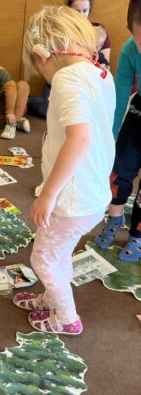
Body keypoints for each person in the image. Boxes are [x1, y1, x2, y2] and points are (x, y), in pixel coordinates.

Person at [13, 6, 115, 335]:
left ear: (42, 53)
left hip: (72, 197)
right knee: (59, 255)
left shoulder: (66, 78)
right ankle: (52, 299)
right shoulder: (101, 73)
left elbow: (80, 137)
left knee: (43, 259)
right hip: (93, 193)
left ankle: (67, 318)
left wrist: (48, 194)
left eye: (38, 67)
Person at [94, 0, 141, 262]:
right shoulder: (130, 50)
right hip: (138, 112)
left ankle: (138, 235)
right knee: (120, 168)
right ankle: (115, 218)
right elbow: (120, 95)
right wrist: (109, 138)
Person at [27, 0, 110, 119]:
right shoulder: (60, 32)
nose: (81, 15)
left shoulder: (98, 33)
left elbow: (80, 129)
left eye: (85, 10)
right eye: (77, 11)